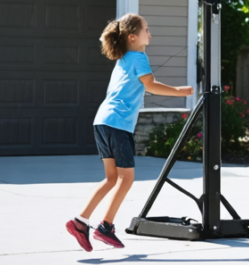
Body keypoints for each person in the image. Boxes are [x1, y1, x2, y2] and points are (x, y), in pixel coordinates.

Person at [65, 13, 194, 251]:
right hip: (118, 124)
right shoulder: (139, 57)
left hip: (102, 121)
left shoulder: (123, 58)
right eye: (146, 29)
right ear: (133, 37)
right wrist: (180, 91)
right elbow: (151, 86)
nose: (150, 33)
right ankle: (106, 226)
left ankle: (80, 222)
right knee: (127, 178)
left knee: (112, 178)